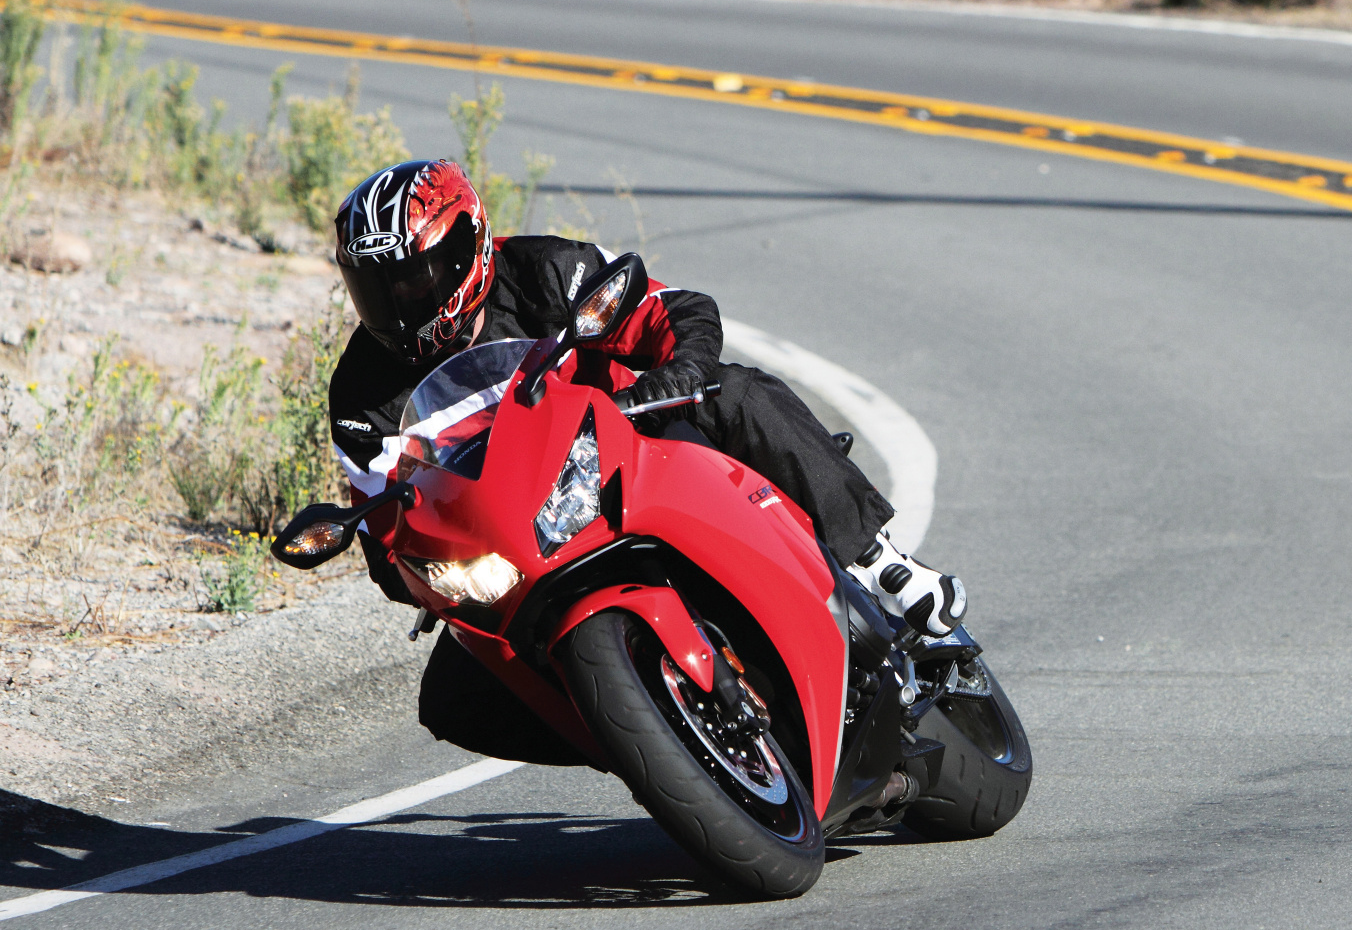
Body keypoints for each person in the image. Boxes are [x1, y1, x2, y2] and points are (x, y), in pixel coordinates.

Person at [327, 159, 964, 764]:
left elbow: (672, 307)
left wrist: (675, 371)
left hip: (632, 455)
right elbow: (385, 532)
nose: (402, 301)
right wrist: (424, 562)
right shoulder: (360, 396)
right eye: (377, 288)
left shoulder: (544, 270)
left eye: (416, 275)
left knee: (732, 391)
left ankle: (880, 562)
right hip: (522, 544)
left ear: (471, 246)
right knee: (452, 702)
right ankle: (654, 744)